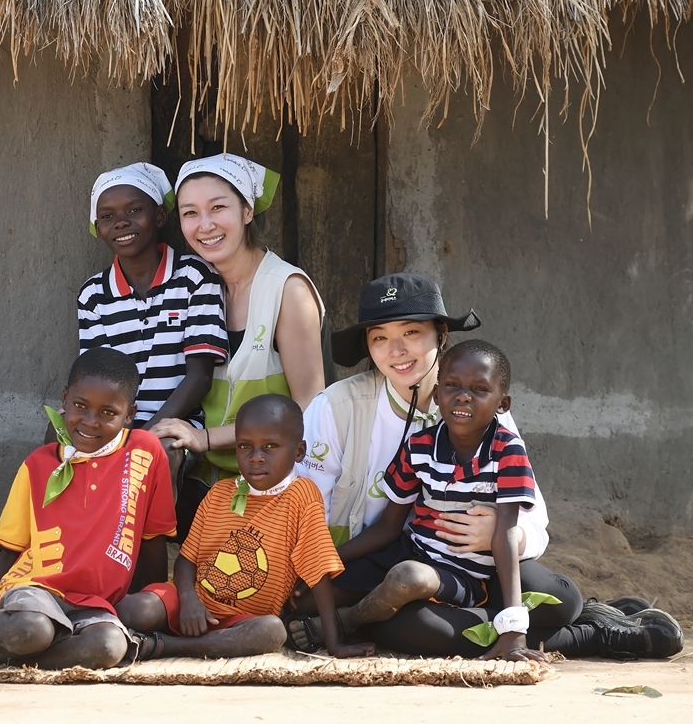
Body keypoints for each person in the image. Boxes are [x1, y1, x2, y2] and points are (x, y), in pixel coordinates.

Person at [288, 273, 683, 659]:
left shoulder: (488, 413)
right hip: (396, 565)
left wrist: (498, 532)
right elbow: (304, 508)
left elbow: (531, 520)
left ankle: (577, 629)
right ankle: (581, 633)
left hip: (482, 567)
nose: (397, 350)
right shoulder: (337, 408)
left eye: (411, 332)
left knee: (557, 599)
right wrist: (317, 565)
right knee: (406, 623)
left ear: (441, 335)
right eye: (379, 338)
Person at [0, 348, 177, 669]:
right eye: (80, 406)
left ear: (129, 415)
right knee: (34, 631)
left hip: (96, 603)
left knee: (108, 646)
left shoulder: (146, 452)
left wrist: (148, 610)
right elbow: (9, 552)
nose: (90, 421)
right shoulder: (38, 465)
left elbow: (152, 539)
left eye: (107, 412)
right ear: (65, 399)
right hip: (35, 590)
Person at [325, 341, 547, 662]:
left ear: (503, 403)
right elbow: (389, 527)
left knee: (410, 579)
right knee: (315, 593)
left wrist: (514, 629)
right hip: (411, 550)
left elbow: (505, 534)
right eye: (452, 385)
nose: (463, 396)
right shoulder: (419, 446)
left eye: (479, 389)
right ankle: (344, 615)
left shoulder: (507, 451)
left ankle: (349, 621)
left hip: (461, 574)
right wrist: (328, 562)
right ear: (437, 392)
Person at [117, 394, 375, 660]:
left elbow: (318, 573)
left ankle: (165, 645)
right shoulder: (220, 493)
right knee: (134, 609)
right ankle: (114, 629)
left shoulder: (302, 496)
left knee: (272, 631)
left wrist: (334, 644)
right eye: (245, 446)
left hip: (243, 620)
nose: (256, 458)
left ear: (299, 451)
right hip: (191, 602)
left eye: (271, 446)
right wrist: (189, 601)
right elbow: (186, 560)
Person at [150, 154, 327, 536]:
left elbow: (309, 410)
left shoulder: (287, 290)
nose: (205, 225)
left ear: (248, 211)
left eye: (218, 208)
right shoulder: (192, 286)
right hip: (207, 481)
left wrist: (206, 438)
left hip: (272, 482)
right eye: (190, 213)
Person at [79, 162, 228, 488]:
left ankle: (148, 525)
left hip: (177, 421)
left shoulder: (195, 277)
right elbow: (96, 379)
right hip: (114, 421)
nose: (121, 222)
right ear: (98, 228)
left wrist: (145, 436)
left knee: (157, 454)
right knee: (56, 435)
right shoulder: (93, 295)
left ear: (160, 216)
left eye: (135, 210)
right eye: (107, 216)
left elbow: (200, 376)